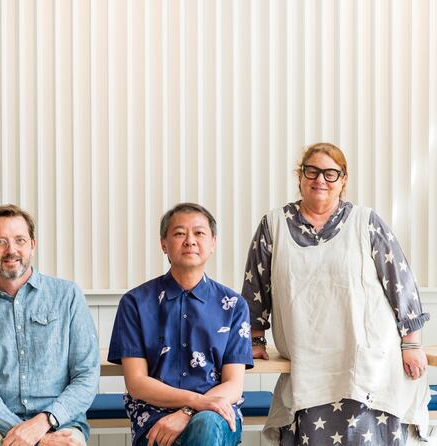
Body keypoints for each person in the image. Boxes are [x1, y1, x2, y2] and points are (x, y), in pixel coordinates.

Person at [242, 142, 430, 445]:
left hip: (366, 363)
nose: (320, 180)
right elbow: (256, 288)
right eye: (312, 171)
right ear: (300, 176)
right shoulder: (274, 224)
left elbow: (400, 281)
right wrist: (255, 339)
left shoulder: (365, 221)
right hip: (308, 365)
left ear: (343, 181)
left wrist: (411, 344)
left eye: (331, 174)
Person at [0, 204, 99, 446]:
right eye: (0, 242)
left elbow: (87, 375)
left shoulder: (67, 296)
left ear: (32, 245)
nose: (11, 250)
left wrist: (42, 424)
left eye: (20, 240)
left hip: (59, 422)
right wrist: (27, 435)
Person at [108, 203, 253, 446]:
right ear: (163, 244)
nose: (190, 241)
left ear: (213, 243)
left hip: (215, 414)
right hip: (154, 417)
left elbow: (233, 384)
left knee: (206, 426)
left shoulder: (234, 305)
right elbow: (137, 383)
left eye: (199, 233)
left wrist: (187, 412)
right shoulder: (135, 303)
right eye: (179, 233)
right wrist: (193, 404)